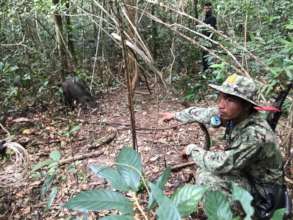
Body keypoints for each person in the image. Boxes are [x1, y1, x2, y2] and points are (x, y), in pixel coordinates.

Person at [160, 74, 287, 219]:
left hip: (264, 195)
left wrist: (192, 150)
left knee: (208, 178)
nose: (221, 104)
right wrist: (176, 115)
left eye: (229, 99)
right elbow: (205, 113)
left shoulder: (255, 134)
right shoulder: (235, 115)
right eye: (221, 97)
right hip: (247, 176)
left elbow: (220, 164)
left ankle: (237, 215)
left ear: (246, 105)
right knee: (204, 173)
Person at [200, 2, 217, 72]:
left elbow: (212, 29)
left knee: (208, 54)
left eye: (208, 8)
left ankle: (209, 69)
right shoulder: (204, 18)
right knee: (204, 54)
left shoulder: (213, 18)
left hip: (208, 39)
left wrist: (209, 39)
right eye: (205, 8)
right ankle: (205, 69)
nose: (207, 10)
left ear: (211, 9)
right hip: (203, 38)